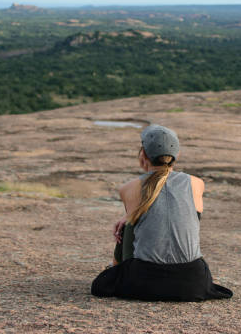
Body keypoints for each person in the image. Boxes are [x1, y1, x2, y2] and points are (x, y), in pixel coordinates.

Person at [91, 124, 232, 301]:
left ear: (143, 154)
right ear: (177, 155)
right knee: (131, 221)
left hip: (143, 283)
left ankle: (116, 270)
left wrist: (127, 218)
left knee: (127, 227)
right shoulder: (196, 183)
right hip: (192, 283)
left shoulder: (129, 188)